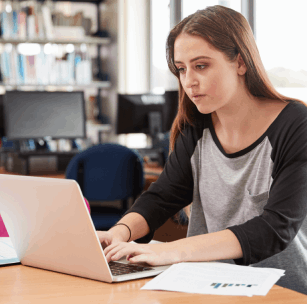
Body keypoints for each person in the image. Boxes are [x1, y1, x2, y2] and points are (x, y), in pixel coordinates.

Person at [97, 5, 307, 295]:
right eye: (181, 69)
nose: (188, 82)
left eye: (201, 66)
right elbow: (163, 197)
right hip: (206, 288)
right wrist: (117, 234)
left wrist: (173, 251)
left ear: (241, 63)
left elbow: (275, 228)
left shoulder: (296, 124)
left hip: (281, 292)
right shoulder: (195, 127)